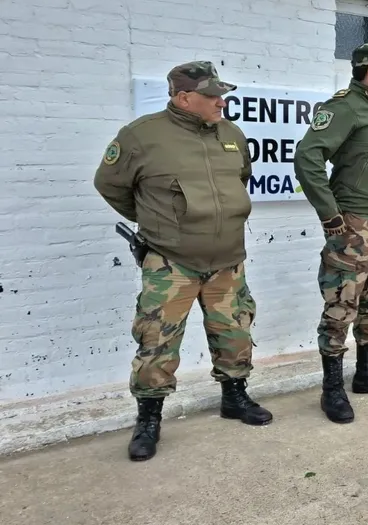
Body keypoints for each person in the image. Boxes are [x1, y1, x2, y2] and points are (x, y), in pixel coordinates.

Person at [93, 61, 272, 462]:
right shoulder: (142, 136)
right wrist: (156, 222)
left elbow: (240, 179)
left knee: (234, 332)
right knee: (157, 341)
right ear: (183, 97)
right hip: (171, 261)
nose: (221, 102)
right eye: (212, 96)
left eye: (221, 94)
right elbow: (110, 186)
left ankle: (235, 397)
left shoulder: (232, 135)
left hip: (228, 260)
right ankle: (149, 419)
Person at [292, 42, 368, 425]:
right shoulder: (343, 108)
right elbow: (307, 157)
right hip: (353, 225)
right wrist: (330, 214)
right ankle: (332, 388)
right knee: (342, 304)